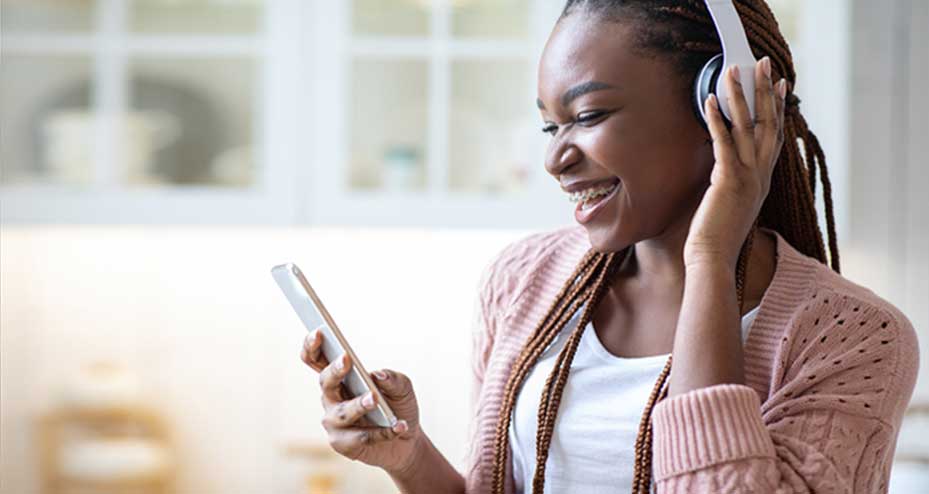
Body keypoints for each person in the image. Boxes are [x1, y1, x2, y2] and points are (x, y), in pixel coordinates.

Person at [299, 1, 919, 492]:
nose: (555, 158)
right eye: (550, 124)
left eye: (589, 115)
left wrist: (708, 258)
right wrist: (408, 458)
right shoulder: (523, 281)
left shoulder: (855, 337)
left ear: (726, 108)